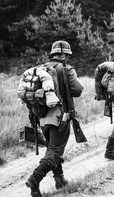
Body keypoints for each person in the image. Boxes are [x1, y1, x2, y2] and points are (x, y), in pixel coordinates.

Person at [26, 41, 84, 197]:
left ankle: (60, 180)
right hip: (60, 116)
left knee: (53, 149)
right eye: (67, 55)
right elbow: (77, 90)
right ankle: (34, 179)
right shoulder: (66, 68)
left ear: (53, 54)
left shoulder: (41, 69)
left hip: (41, 117)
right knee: (55, 151)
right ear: (64, 54)